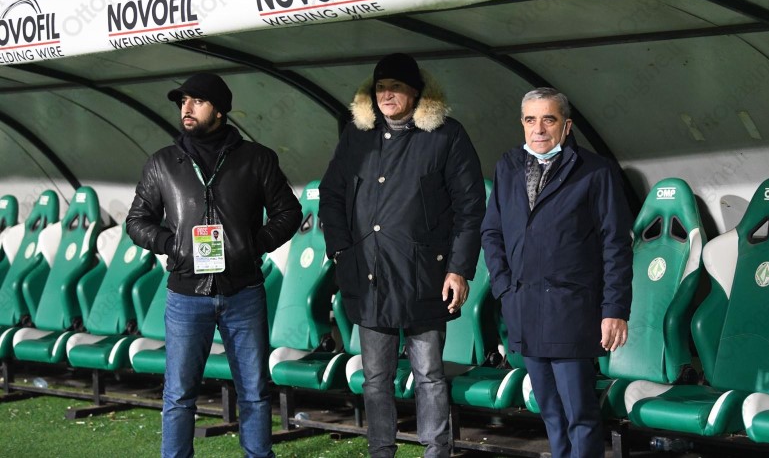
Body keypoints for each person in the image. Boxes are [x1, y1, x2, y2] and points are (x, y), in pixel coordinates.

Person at [126, 73, 302, 458]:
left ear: (220, 111)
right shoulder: (162, 163)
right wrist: (171, 244)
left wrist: (253, 245)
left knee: (254, 391)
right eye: (183, 102)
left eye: (197, 101)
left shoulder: (257, 159)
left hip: (244, 292)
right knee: (178, 394)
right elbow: (136, 221)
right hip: (186, 296)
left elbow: (289, 212)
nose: (186, 108)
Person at [319, 53, 485, 457]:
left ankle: (435, 451)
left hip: (424, 278)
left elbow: (470, 207)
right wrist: (341, 251)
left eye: (396, 87)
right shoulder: (357, 135)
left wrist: (459, 269)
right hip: (369, 276)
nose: (387, 94)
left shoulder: (446, 135)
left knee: (429, 374)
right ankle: (381, 451)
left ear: (416, 91)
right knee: (376, 378)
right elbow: (332, 194)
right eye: (380, 87)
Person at [481, 87, 633, 458]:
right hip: (524, 308)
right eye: (530, 120)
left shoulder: (596, 171)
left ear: (566, 126)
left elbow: (616, 245)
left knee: (580, 414)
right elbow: (492, 232)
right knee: (549, 411)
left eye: (548, 119)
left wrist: (614, 309)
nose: (538, 129)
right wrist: (504, 288)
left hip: (572, 309)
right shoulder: (508, 166)